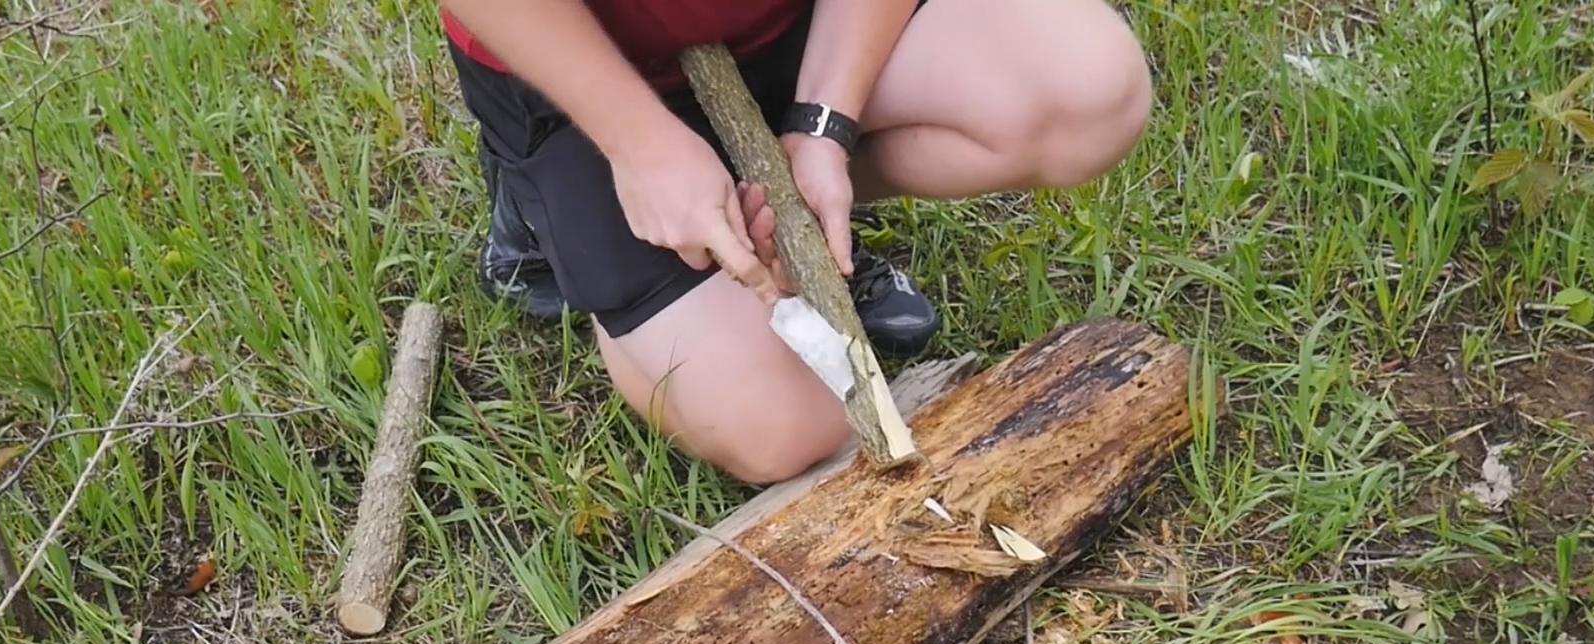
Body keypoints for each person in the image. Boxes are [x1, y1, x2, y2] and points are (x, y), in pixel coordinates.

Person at [442, 0, 1152, 484]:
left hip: (798, 20)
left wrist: (824, 127)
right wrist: (639, 143)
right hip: (577, 62)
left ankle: (777, 211)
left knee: (1086, 93)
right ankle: (563, 217)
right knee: (779, 431)